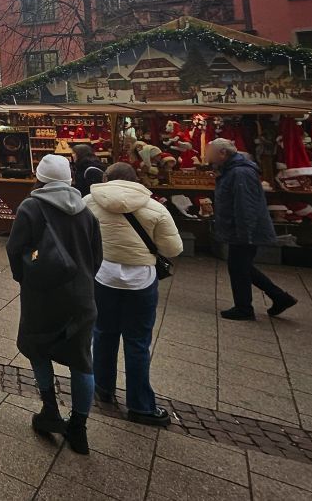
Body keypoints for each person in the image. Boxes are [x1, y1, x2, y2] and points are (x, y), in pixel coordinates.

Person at [6, 154, 103, 455]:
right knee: (81, 360)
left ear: (39, 177)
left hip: (43, 295)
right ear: (69, 179)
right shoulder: (86, 212)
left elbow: (14, 248)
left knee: (37, 347)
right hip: (81, 296)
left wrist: (24, 277)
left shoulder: (31, 207)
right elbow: (95, 256)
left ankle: (50, 409)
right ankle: (79, 427)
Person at [85, 162, 183, 427]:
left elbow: (81, 237)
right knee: (137, 341)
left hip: (103, 275)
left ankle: (103, 387)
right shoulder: (155, 208)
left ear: (106, 179)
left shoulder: (89, 202)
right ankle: (140, 405)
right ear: (135, 180)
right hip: (140, 280)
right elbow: (173, 248)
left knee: (103, 332)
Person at [207, 137, 296, 320]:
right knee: (242, 266)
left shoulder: (240, 173)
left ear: (223, 153)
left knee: (239, 267)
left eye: (211, 153)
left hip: (244, 230)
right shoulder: (233, 170)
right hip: (240, 229)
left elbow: (245, 204)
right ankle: (279, 297)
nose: (208, 156)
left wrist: (245, 232)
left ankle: (244, 308)